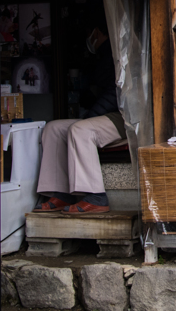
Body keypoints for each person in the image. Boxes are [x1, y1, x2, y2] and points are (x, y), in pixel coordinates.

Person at [35, 23, 124, 215]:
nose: (88, 38)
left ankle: (96, 196)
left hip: (124, 117)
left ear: (98, 31)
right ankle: (61, 193)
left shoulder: (117, 52)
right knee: (53, 128)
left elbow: (115, 94)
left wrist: (89, 116)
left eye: (89, 32)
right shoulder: (101, 55)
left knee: (80, 129)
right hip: (103, 115)